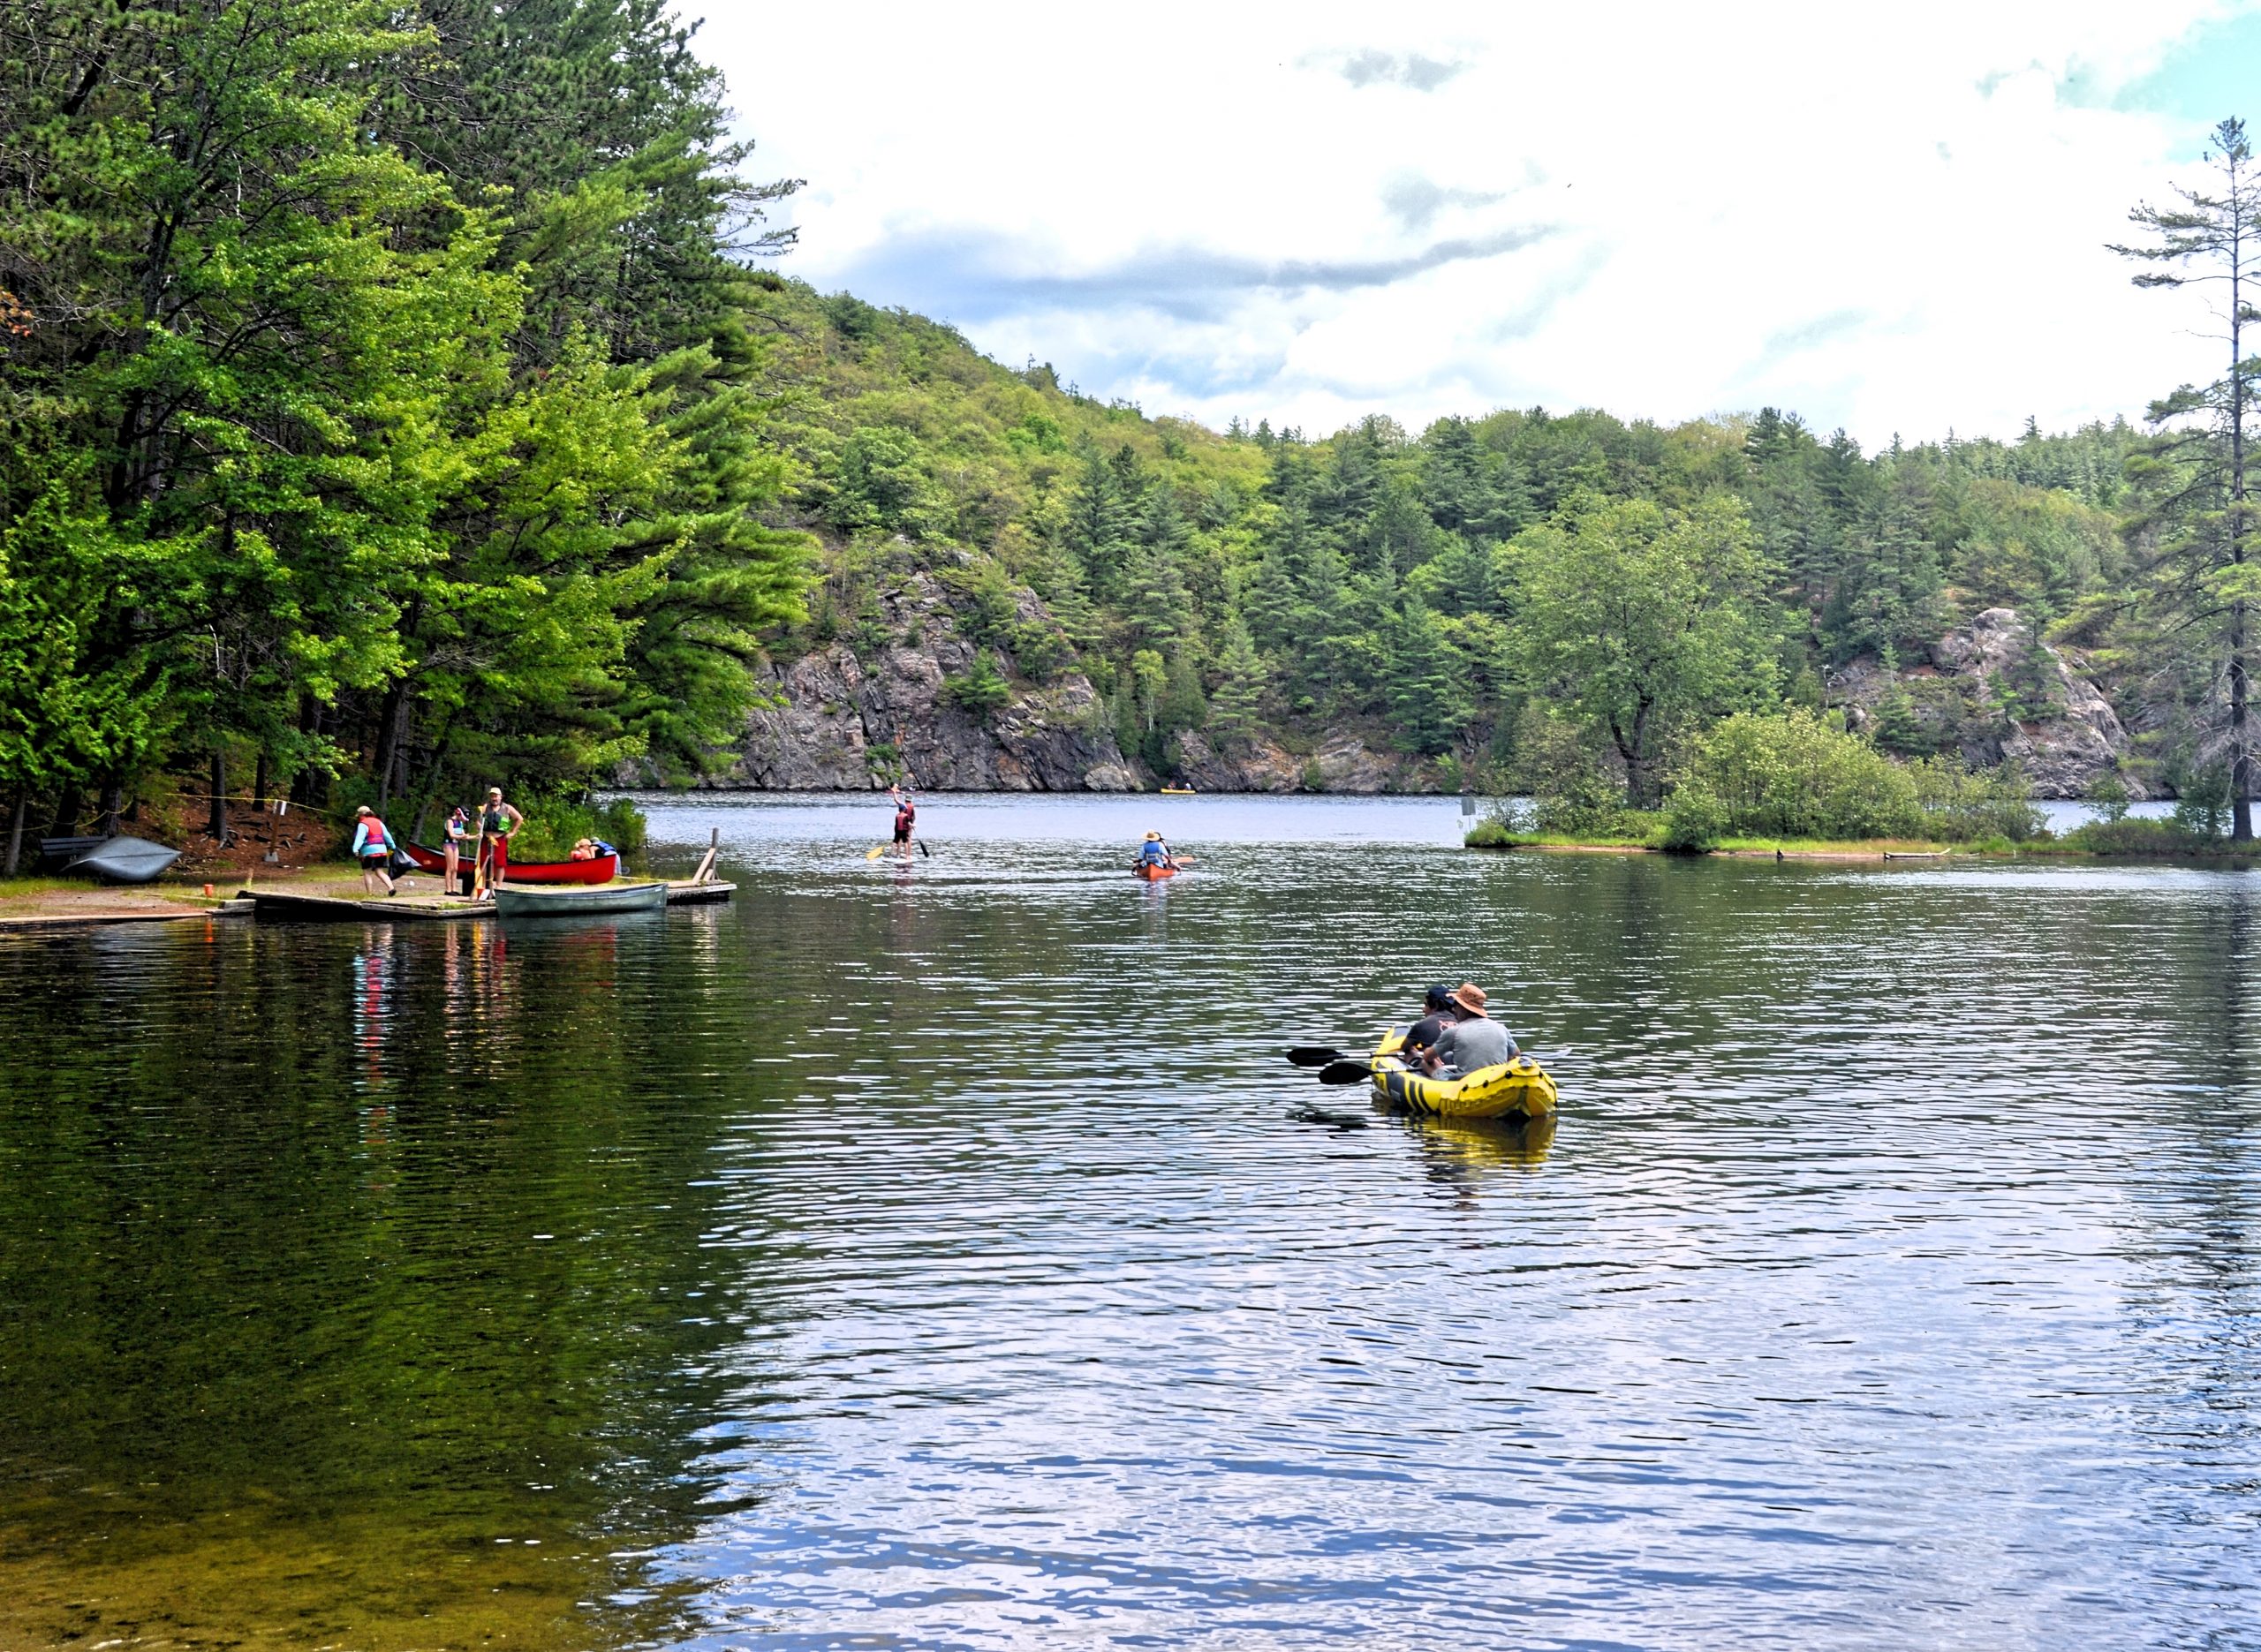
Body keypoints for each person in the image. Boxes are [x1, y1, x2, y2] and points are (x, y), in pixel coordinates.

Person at [1423, 982, 1518, 1079]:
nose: (1453, 1009)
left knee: (1424, 1062)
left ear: (1462, 1008)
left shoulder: (1454, 1031)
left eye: (1455, 1005)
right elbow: (1515, 1054)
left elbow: (1428, 1056)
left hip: (1467, 1083)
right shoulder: (1501, 1028)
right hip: (1496, 1079)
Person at [477, 786, 525, 896]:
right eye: (492, 796)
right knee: (484, 862)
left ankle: (498, 886)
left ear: (500, 797)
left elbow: (519, 818)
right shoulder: (485, 807)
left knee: (500, 863)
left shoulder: (507, 808)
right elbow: (478, 822)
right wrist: (480, 827)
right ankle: (485, 886)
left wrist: (513, 832)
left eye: (496, 796)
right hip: (487, 838)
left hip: (500, 838)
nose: (494, 798)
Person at [1399, 984, 1460, 1066]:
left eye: (1426, 1005)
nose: (1423, 1010)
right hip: (1460, 1065)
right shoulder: (1462, 1022)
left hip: (1435, 1066)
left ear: (1435, 1005)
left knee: (1409, 1052)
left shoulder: (1422, 1025)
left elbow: (1404, 1047)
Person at [351, 805, 397, 897]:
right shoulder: (379, 822)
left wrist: (355, 849)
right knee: (380, 871)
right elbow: (387, 836)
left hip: (368, 852)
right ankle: (391, 888)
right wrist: (392, 846)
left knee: (367, 872)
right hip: (382, 850)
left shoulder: (362, 824)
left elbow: (359, 838)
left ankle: (370, 894)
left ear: (361, 815)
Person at [442, 803, 473, 895]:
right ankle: (448, 889)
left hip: (455, 845)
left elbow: (464, 836)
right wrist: (462, 836)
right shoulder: (450, 821)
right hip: (448, 844)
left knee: (455, 868)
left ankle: (454, 889)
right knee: (450, 867)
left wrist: (476, 837)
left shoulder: (460, 823)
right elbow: (451, 834)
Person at [890, 787, 917, 860]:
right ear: (910, 800)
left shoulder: (903, 805)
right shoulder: (912, 806)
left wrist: (894, 792)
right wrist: (912, 824)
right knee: (908, 839)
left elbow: (896, 800)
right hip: (909, 825)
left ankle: (898, 854)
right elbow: (914, 816)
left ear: (905, 800)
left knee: (899, 839)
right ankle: (908, 855)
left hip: (901, 825)